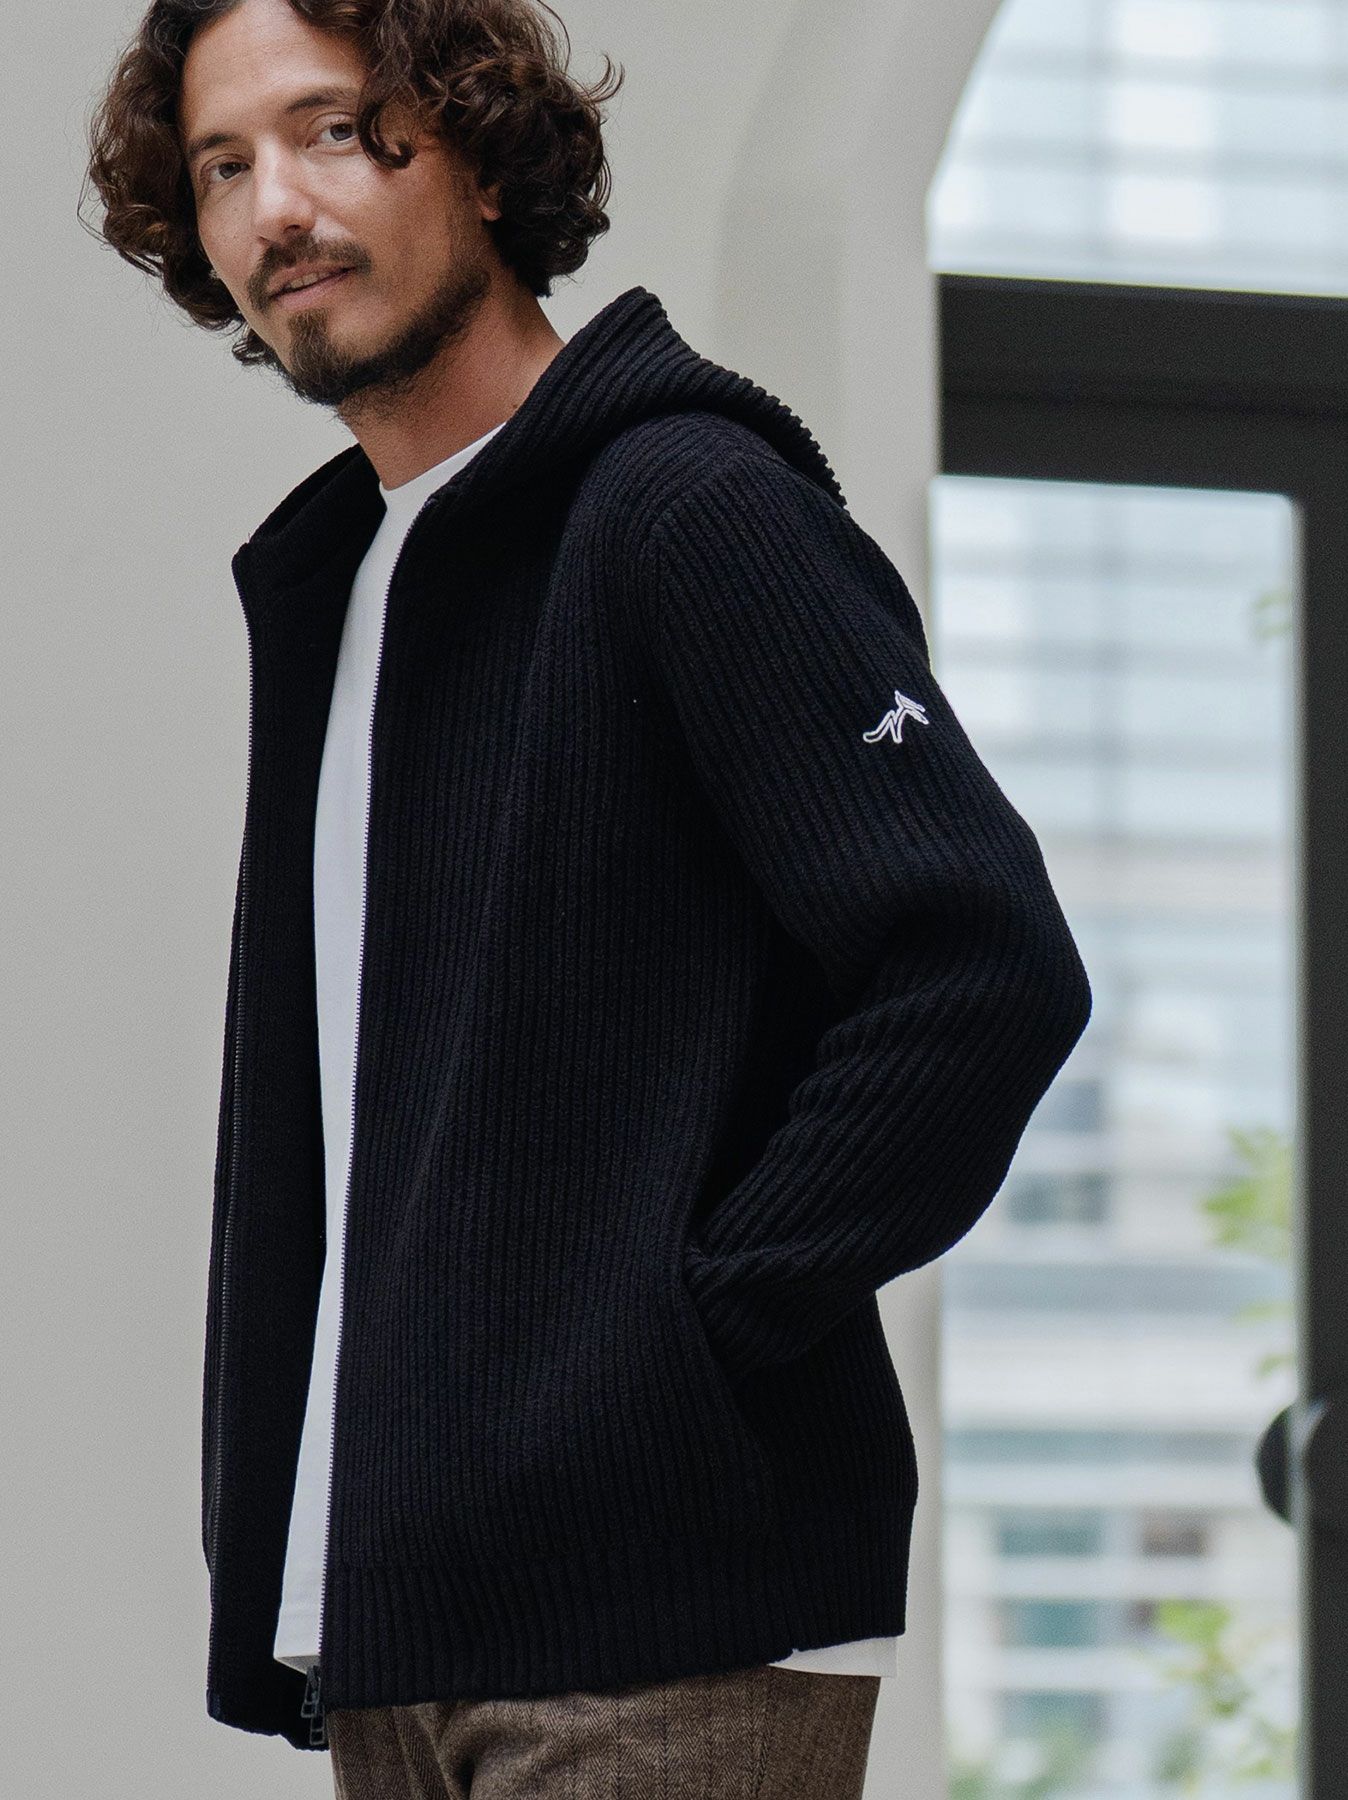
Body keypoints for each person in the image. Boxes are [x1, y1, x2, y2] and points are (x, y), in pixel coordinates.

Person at [84, 1, 1093, 1792]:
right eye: (223, 167)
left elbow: (979, 964)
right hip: (402, 1625)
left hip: (659, 1625)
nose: (275, 208)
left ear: (479, 152)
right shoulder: (356, 579)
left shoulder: (688, 508)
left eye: (335, 130)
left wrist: (672, 1344)